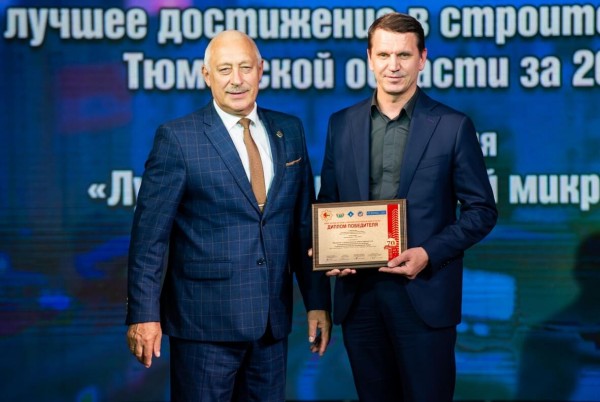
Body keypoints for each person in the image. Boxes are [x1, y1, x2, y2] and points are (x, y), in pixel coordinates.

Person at [125, 30, 331, 402]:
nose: (236, 79)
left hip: (271, 324)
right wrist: (143, 313)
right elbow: (149, 237)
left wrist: (317, 302)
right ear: (207, 75)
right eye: (224, 69)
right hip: (203, 326)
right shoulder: (178, 138)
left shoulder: (290, 131)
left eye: (245, 68)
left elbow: (304, 226)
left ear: (261, 70)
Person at [317, 12, 498, 402]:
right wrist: (331, 250)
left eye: (403, 55)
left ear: (422, 58)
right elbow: (329, 201)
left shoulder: (452, 126)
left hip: (424, 293)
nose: (393, 65)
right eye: (384, 55)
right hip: (359, 296)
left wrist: (428, 253)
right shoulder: (341, 124)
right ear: (369, 58)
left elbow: (482, 210)